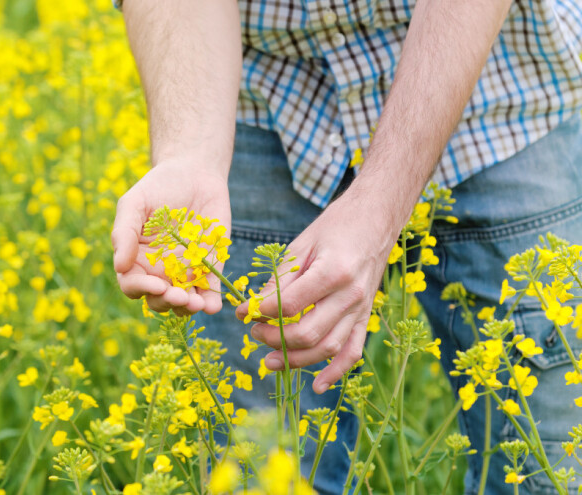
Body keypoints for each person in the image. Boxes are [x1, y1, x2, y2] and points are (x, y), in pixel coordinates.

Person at [110, 1, 582, 493]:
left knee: (551, 471)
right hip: (255, 98)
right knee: (258, 471)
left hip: (496, 95)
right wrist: (191, 156)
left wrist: (379, 205)